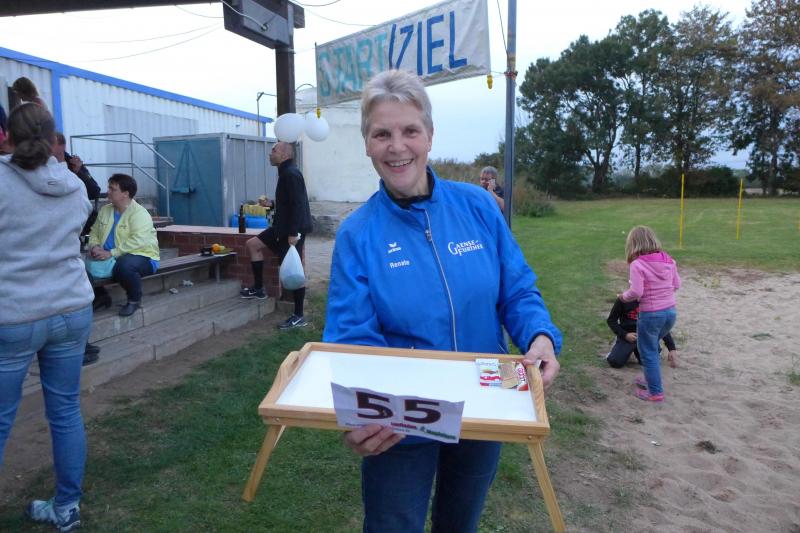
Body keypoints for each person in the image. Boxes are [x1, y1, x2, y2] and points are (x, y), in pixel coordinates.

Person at [322, 69, 562, 533]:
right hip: (399, 424)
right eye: (382, 134)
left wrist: (539, 337)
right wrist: (362, 410)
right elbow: (352, 339)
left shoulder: (478, 206)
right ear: (367, 144)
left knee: (459, 524)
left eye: (410, 131)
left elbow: (517, 289)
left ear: (430, 136)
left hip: (484, 408)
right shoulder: (357, 233)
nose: (397, 147)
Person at [0, 102, 92, 532]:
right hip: (71, 309)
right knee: (66, 409)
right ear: (53, 137)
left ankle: (66, 507)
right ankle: (67, 507)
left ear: (9, 136)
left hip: (15, 314)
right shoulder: (74, 184)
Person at [239, 141, 313, 330]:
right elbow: (288, 202)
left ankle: (299, 316)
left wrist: (293, 233)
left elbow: (298, 204)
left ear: (285, 154)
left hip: (291, 230)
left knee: (294, 271)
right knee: (253, 245)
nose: (270, 153)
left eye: (274, 150)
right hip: (281, 227)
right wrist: (271, 204)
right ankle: (259, 289)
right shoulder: (285, 172)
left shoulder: (291, 174)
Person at [52, 133, 103, 365]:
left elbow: (94, 190)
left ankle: (80, 344)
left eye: (61, 152)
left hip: (66, 241)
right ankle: (76, 346)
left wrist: (80, 171)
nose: (59, 157)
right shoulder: (33, 169)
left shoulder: (71, 165)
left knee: (82, 280)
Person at [620, 226, 680, 402]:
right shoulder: (669, 260)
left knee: (648, 352)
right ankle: (650, 379)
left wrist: (623, 297)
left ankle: (655, 392)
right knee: (651, 346)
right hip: (670, 313)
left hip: (651, 314)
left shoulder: (637, 264)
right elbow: (677, 285)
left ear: (633, 244)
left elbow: (636, 292)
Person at [87, 173, 160, 317]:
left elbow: (138, 241)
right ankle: (100, 296)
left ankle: (134, 300)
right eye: (109, 188)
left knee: (125, 266)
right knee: (79, 266)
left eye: (112, 189)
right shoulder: (105, 210)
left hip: (143, 256)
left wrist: (111, 253)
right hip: (110, 256)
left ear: (125, 194)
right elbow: (94, 232)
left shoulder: (140, 213)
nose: (108, 192)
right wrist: (95, 246)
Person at [605, 296, 678, 368]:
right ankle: (620, 347)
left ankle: (636, 351)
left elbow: (660, 326)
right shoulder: (623, 299)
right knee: (615, 362)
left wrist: (671, 348)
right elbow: (611, 321)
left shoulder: (654, 301)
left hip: (645, 338)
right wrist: (625, 335)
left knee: (648, 362)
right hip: (628, 336)